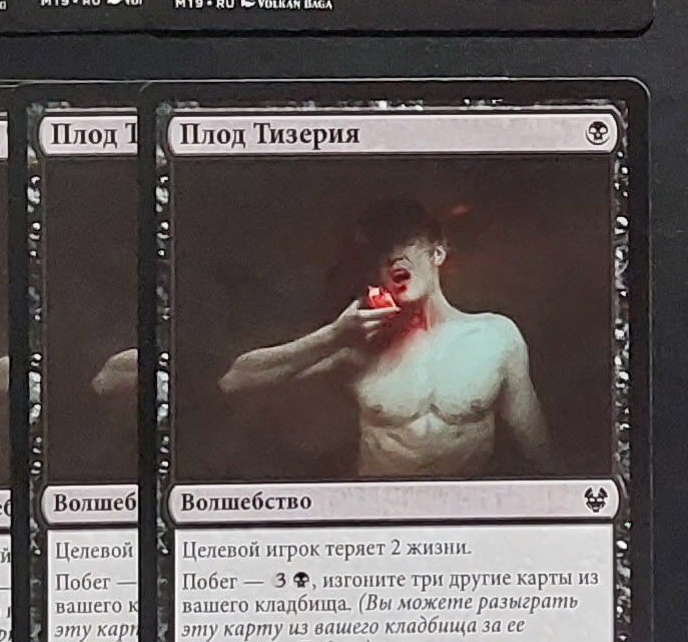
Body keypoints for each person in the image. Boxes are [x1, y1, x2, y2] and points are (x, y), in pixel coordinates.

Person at [220, 195, 551, 478]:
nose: (393, 257)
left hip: (459, 518)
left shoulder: (496, 336)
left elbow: (537, 449)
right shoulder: (356, 346)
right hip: (382, 516)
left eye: (405, 242)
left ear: (437, 253)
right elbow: (236, 380)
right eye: (381, 251)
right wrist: (333, 336)